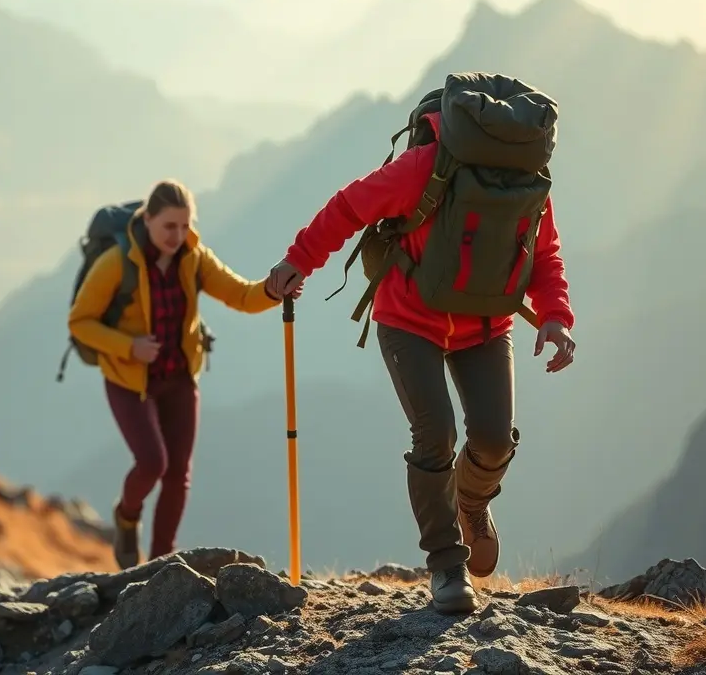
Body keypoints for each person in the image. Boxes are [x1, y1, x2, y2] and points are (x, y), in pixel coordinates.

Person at [263, 106, 576, 615]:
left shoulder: (528, 183)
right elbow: (349, 207)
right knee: (436, 434)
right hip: (409, 317)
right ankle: (447, 566)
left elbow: (544, 253)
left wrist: (556, 316)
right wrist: (299, 260)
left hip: (487, 323)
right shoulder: (424, 167)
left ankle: (471, 500)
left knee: (494, 440)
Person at [69, 179, 299, 569]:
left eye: (184, 225)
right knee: (151, 463)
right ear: (148, 220)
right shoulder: (117, 263)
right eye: (169, 227)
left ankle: (160, 566)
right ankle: (127, 515)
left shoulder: (194, 257)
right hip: (129, 380)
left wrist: (275, 291)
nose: (178, 235)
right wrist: (129, 346)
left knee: (178, 474)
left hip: (178, 377)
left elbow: (241, 294)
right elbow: (80, 322)